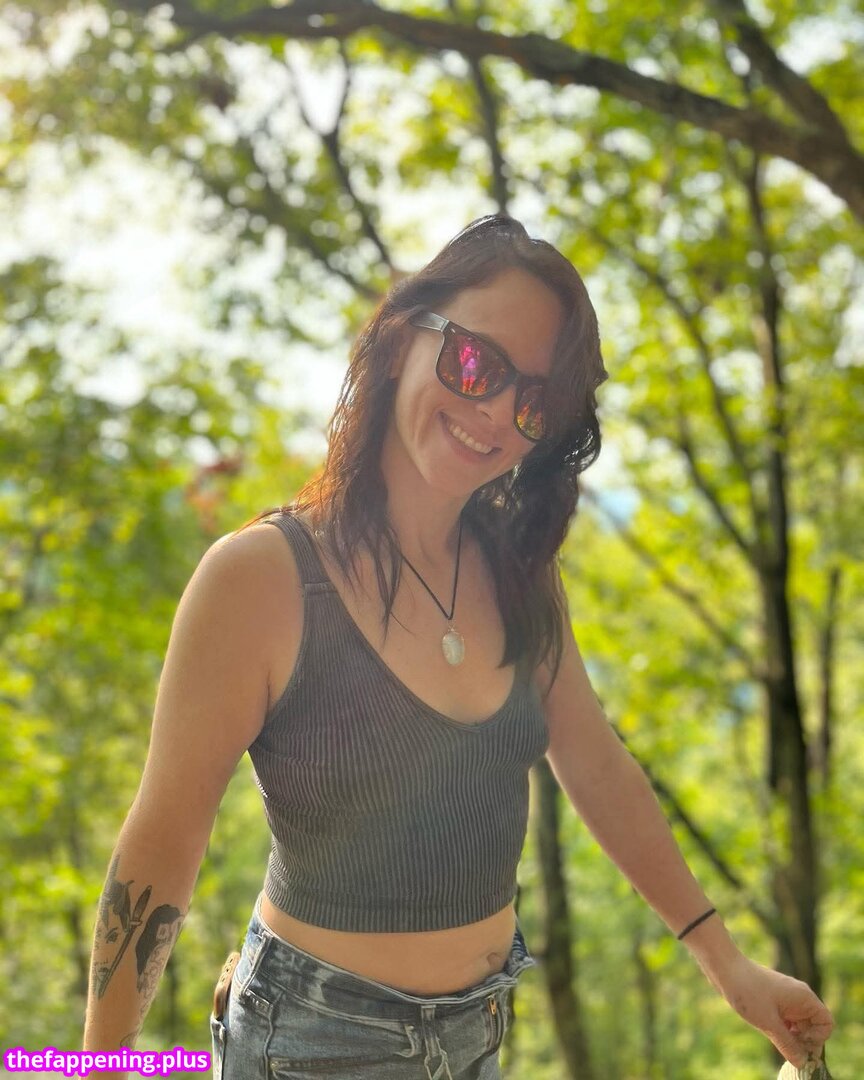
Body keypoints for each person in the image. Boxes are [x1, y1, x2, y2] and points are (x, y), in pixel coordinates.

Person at [83, 215, 833, 1079]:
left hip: (481, 1036)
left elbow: (596, 765)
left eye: (533, 402)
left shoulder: (519, 573)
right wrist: (98, 1066)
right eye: (476, 364)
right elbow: (164, 841)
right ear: (403, 337)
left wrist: (728, 966)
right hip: (312, 1045)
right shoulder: (262, 579)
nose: (495, 412)